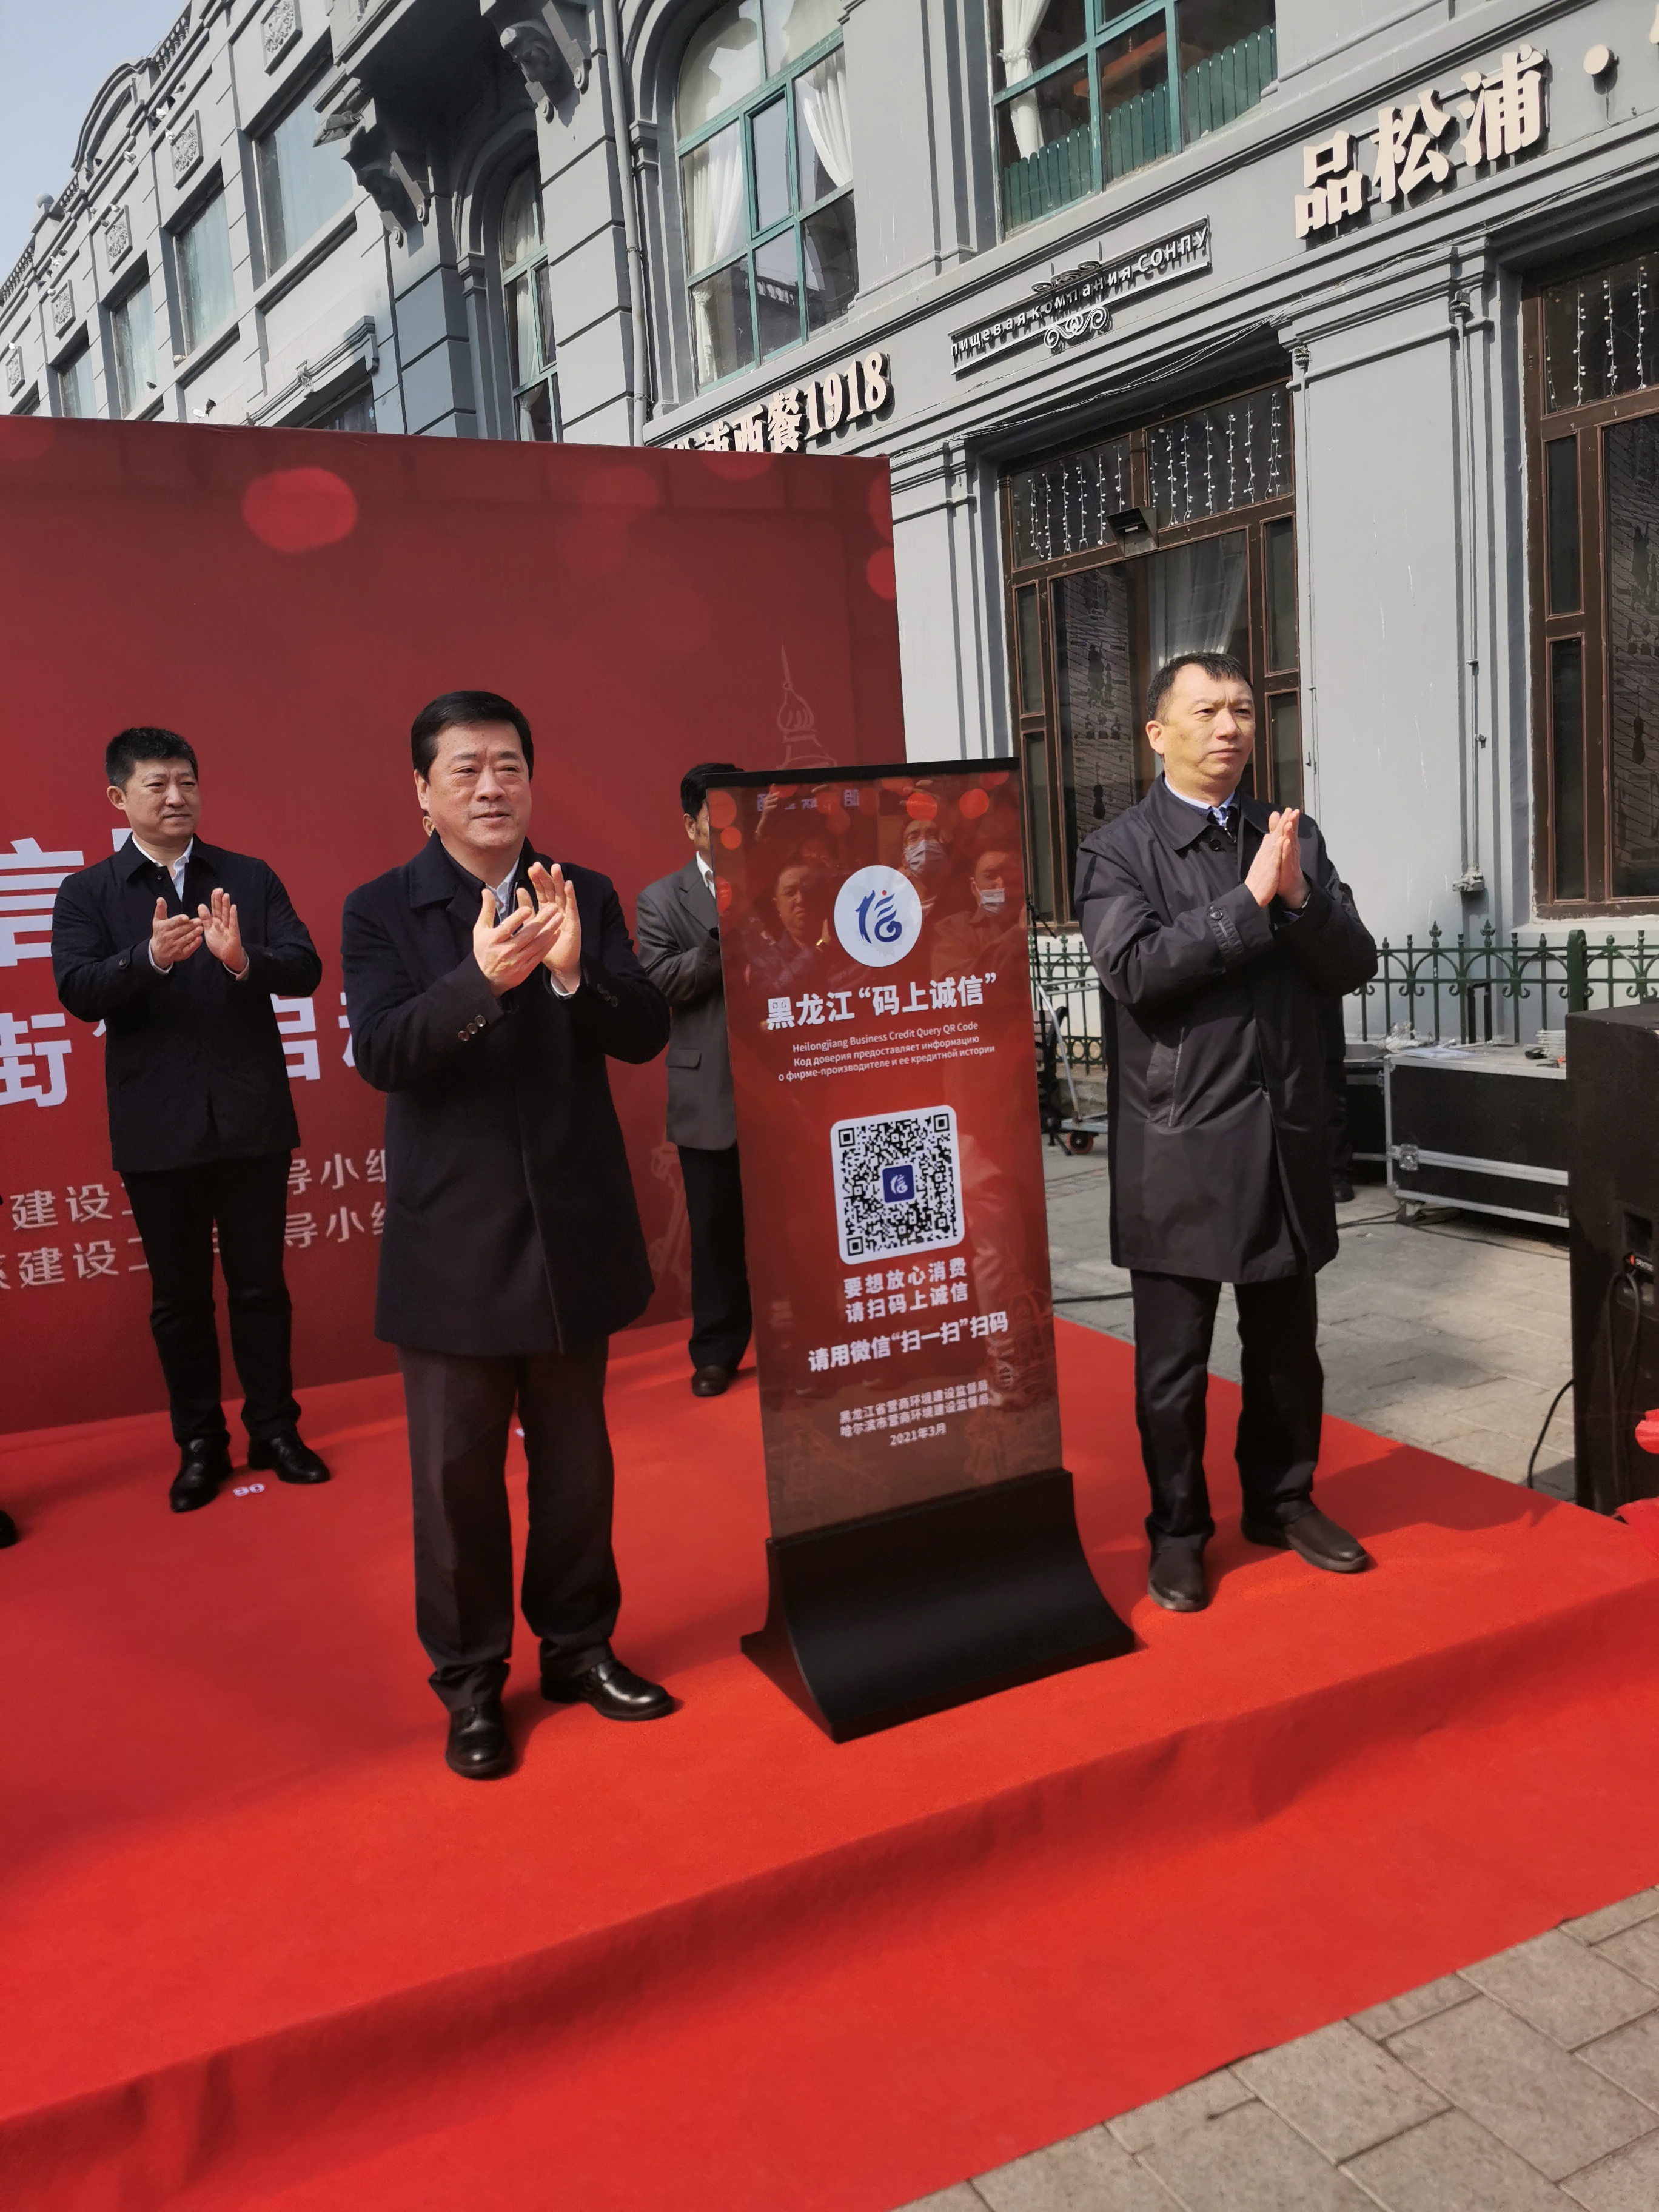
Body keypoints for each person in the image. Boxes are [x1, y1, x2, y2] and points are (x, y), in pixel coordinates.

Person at [341, 689, 674, 1780]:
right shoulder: (381, 910)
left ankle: (579, 1648)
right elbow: (383, 1052)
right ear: (423, 792)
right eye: (468, 769)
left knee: (578, 1469)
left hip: (572, 1235)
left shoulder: (585, 892)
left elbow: (644, 1031)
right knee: (457, 1480)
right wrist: (479, 981)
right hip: (454, 1246)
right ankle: (472, 1680)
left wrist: (574, 973)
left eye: (510, 767)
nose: (492, 787)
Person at [1075, 654, 1378, 1615]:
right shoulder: (1117, 851)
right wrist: (1247, 903)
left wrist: (1298, 899)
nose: (1229, 728)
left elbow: (1352, 963)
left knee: (1287, 1349)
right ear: (1157, 733)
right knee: (1173, 1368)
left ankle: (1283, 1501)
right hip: (1178, 1144)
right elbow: (1137, 970)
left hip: (1283, 1135)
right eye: (1205, 711)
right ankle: (1178, 1530)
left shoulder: (1292, 836)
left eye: (1242, 710)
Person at [52, 728, 331, 1512]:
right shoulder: (88, 893)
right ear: (119, 798)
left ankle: (275, 1429)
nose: (177, 797)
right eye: (157, 785)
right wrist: (149, 960)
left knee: (260, 1286)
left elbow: (306, 968)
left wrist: (242, 959)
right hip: (156, 1125)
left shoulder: (247, 876)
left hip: (251, 1117)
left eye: (187, 782)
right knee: (179, 1299)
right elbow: (77, 991)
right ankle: (201, 1443)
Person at [635, 763, 753, 1399]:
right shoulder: (661, 900)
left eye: (743, 815)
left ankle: (804, 1340)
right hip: (710, 1093)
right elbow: (662, 980)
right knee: (714, 1230)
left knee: (798, 1227)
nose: (734, 830)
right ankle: (717, 1350)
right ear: (691, 826)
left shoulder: (786, 880)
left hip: (790, 1083)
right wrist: (726, 934)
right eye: (719, 819)